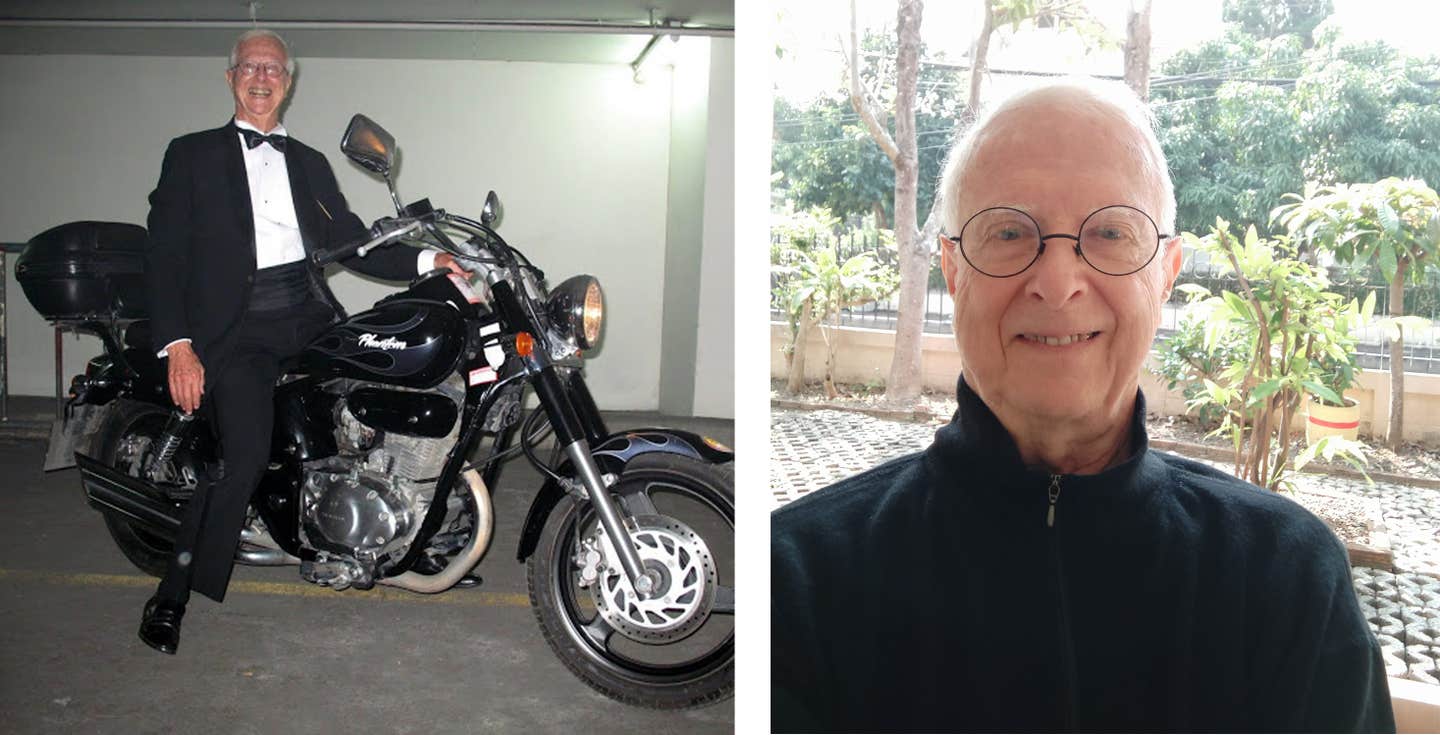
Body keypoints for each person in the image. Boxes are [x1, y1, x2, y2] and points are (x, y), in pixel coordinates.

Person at [770, 78, 1394, 732]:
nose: (1059, 283)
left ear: (1166, 272)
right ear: (953, 273)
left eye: (1111, 233)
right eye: (1010, 231)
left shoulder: (1289, 579)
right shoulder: (798, 583)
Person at [138, 29, 466, 655]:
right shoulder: (192, 153)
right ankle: (171, 594)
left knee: (385, 398)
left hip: (309, 313)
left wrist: (430, 259)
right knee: (243, 456)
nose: (262, 77)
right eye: (251, 67)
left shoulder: (310, 162)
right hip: (238, 330)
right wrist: (180, 346)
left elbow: (349, 242)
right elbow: (166, 254)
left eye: (274, 69)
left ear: (289, 83)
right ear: (231, 76)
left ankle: (409, 539)